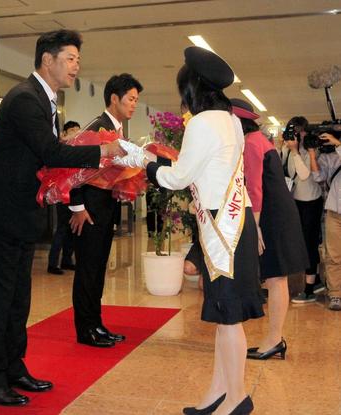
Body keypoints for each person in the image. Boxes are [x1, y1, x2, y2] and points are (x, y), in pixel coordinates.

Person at [0, 29, 124, 407]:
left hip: (19, 217)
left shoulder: (44, 101)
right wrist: (103, 150)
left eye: (77, 60)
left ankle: (13, 367)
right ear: (47, 60)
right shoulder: (25, 98)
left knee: (18, 299)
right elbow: (49, 151)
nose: (76, 66)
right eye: (70, 59)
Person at [114, 47, 263, 415]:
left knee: (228, 320)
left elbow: (179, 177)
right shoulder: (228, 120)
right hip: (235, 223)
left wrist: (144, 164)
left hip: (219, 228)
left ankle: (237, 398)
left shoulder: (201, 123)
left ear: (192, 88)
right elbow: (199, 168)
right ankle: (217, 393)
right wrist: (145, 157)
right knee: (225, 319)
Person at [229, 99, 308, 360]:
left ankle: (274, 340)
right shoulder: (257, 140)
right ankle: (274, 339)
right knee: (276, 278)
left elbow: (254, 189)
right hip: (277, 214)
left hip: (272, 217)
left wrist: (256, 227)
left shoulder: (251, 143)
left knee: (276, 278)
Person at [69, 73, 143, 348]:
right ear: (114, 98)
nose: (134, 105)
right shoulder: (96, 129)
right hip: (88, 209)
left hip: (105, 207)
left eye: (137, 100)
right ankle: (85, 329)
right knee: (88, 268)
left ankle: (96, 324)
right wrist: (77, 207)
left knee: (98, 267)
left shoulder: (116, 130)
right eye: (131, 99)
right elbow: (72, 168)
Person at [281, 117, 325, 303]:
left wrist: (294, 150)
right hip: (296, 201)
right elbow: (287, 172)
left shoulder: (310, 149)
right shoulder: (290, 150)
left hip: (311, 202)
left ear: (304, 132)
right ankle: (316, 281)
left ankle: (309, 289)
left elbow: (306, 174)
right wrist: (285, 148)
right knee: (299, 243)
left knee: (309, 244)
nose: (295, 136)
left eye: (298, 132)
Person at [308, 132, 341, 310]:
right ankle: (336, 294)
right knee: (334, 255)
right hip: (334, 212)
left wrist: (337, 144)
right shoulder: (329, 157)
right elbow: (318, 177)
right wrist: (312, 153)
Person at [47, 121, 81, 275]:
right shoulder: (60, 149)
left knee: (72, 229)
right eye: (72, 130)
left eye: (78, 130)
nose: (76, 133)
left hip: (75, 194)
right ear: (64, 134)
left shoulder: (79, 149)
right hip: (62, 194)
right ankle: (52, 264)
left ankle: (67, 260)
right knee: (62, 228)